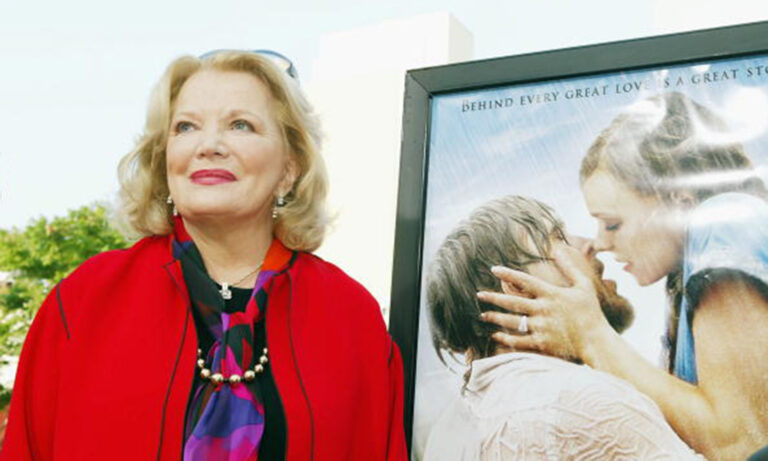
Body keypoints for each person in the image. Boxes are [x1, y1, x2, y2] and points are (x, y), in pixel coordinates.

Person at [1, 50, 407, 460]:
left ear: (290, 167)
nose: (209, 145)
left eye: (240, 124)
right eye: (186, 127)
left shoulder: (352, 317)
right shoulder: (82, 302)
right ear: (165, 161)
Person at [480, 92, 768, 460]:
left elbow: (742, 442)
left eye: (613, 223)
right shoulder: (683, 277)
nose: (600, 243)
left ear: (679, 202)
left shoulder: (728, 220)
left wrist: (591, 336)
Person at [423, 195, 702, 460]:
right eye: (557, 237)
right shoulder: (584, 400)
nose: (589, 243)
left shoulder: (445, 433)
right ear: (516, 287)